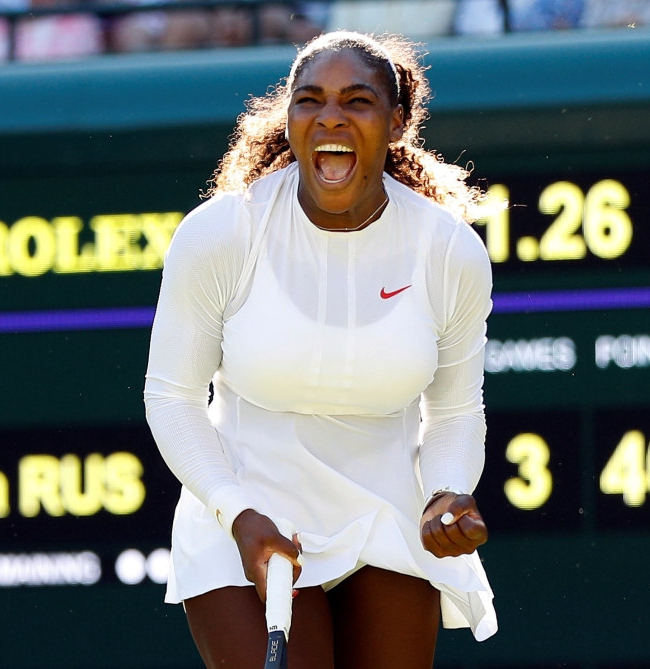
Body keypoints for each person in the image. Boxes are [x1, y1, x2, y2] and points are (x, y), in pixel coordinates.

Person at [144, 31, 497, 669]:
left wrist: (446, 494)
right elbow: (171, 398)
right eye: (309, 101)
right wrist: (237, 514)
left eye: (356, 101)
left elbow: (454, 412)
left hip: (384, 519)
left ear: (395, 124)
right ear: (291, 121)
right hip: (245, 517)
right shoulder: (223, 233)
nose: (330, 116)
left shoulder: (448, 251)